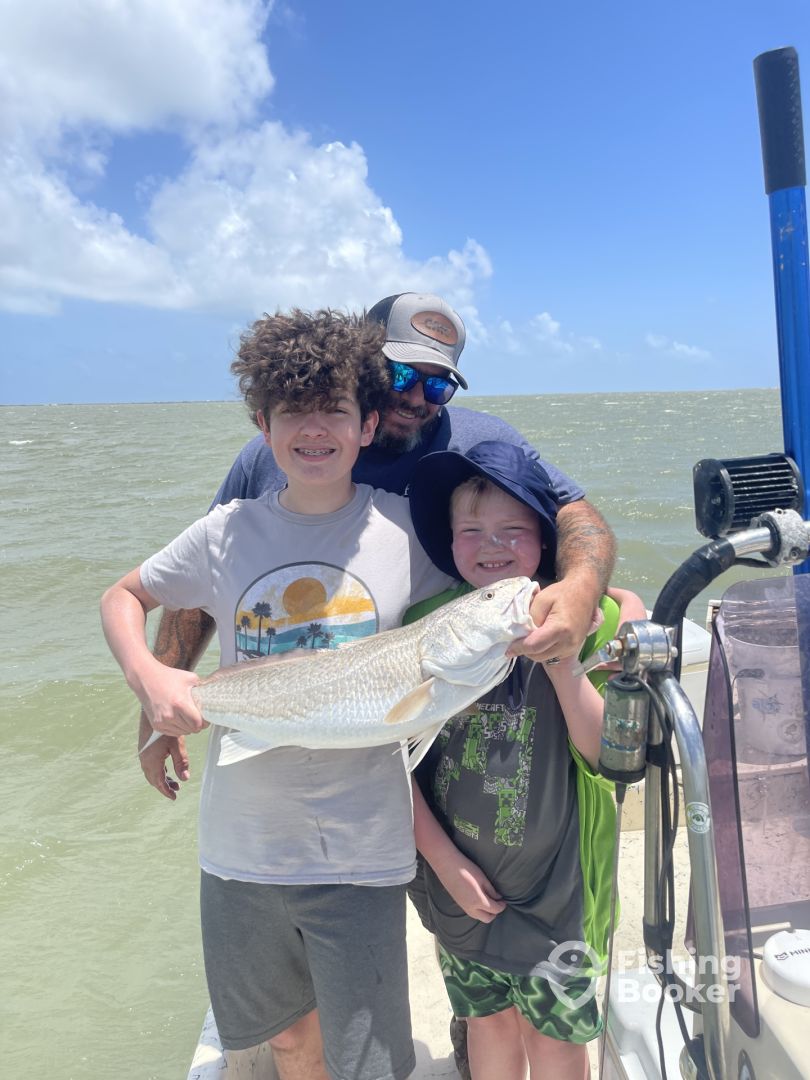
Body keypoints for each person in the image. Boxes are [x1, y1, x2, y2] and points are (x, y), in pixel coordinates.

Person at [101, 309, 465, 1080]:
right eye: (292, 411)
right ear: (262, 426)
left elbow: (490, 585)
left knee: (369, 1062)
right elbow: (123, 597)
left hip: (363, 852)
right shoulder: (225, 532)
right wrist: (152, 686)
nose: (314, 429)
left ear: (368, 425)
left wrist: (597, 606)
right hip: (241, 850)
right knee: (289, 1043)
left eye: (334, 410)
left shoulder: (407, 533)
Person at [141, 293, 617, 801]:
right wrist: (155, 710)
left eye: (438, 384)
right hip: (309, 720)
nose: (417, 398)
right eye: (401, 374)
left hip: (428, 708)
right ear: (363, 365)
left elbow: (572, 515)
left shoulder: (475, 440)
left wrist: (585, 588)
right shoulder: (274, 454)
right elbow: (198, 584)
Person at [404, 441, 645, 1080]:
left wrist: (566, 660)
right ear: (448, 541)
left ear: (545, 541)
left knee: (558, 1042)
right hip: (461, 889)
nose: (492, 545)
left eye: (514, 529)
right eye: (471, 530)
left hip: (559, 898)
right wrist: (443, 861)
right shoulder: (424, 622)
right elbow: (394, 764)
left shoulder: (592, 620)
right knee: (486, 1022)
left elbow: (608, 755)